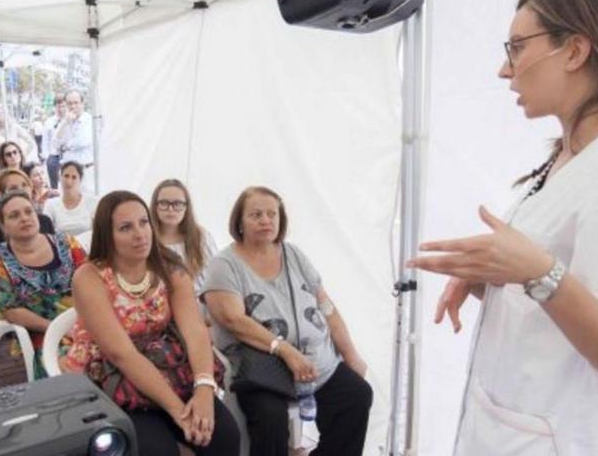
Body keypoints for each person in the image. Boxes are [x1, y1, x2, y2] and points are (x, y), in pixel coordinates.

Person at [407, 0, 598, 456]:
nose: (505, 69)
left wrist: (538, 273)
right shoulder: (570, 157)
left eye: (517, 47)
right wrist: (492, 277)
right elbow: (559, 281)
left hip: (562, 438)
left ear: (575, 51)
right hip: (507, 422)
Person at [63, 191, 240, 456]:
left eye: (144, 222)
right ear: (107, 235)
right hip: (110, 376)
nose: (140, 234)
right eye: (125, 227)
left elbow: (194, 331)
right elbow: (120, 353)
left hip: (167, 366)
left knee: (224, 435)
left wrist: (204, 388)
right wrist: (178, 410)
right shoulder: (89, 277)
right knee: (156, 450)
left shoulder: (170, 267)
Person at [202, 186, 372, 456]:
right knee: (270, 419)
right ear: (240, 222)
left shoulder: (294, 254)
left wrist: (351, 354)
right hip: (265, 369)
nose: (266, 220)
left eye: (272, 214)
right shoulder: (224, 265)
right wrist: (285, 350)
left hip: (317, 364)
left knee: (357, 395)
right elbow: (232, 319)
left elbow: (326, 306)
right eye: (256, 214)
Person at [0, 190, 86, 378]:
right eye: (14, 216)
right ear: (3, 225)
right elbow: (10, 309)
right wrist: (57, 329)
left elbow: (92, 284)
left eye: (28, 212)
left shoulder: (67, 243)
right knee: (73, 366)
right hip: (43, 331)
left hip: (84, 322)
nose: (24, 218)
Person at [0, 168, 56, 263]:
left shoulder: (44, 221)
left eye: (24, 185)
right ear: (2, 194)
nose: (21, 190)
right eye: (13, 188)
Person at [150, 179, 217, 292]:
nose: (170, 209)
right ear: (155, 206)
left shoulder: (202, 237)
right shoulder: (145, 238)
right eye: (164, 203)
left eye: (177, 204)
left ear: (186, 207)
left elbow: (215, 277)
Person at [43, 161, 97, 237]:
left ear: (80, 180)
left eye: (74, 177)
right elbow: (47, 235)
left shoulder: (93, 201)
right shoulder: (50, 204)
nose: (69, 181)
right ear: (60, 178)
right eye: (66, 176)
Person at [53, 91, 94, 189]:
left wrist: (66, 146)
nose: (73, 106)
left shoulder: (89, 120)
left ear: (82, 104)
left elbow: (83, 141)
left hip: (85, 171)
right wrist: (66, 123)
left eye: (76, 103)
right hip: (66, 171)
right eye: (69, 103)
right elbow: (55, 144)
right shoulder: (65, 121)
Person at [43, 96, 66, 189]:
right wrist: (47, 157)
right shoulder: (49, 122)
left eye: (63, 106)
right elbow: (45, 141)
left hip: (67, 154)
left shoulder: (70, 120)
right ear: (55, 107)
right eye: (58, 107)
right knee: (54, 183)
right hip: (54, 155)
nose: (61, 109)